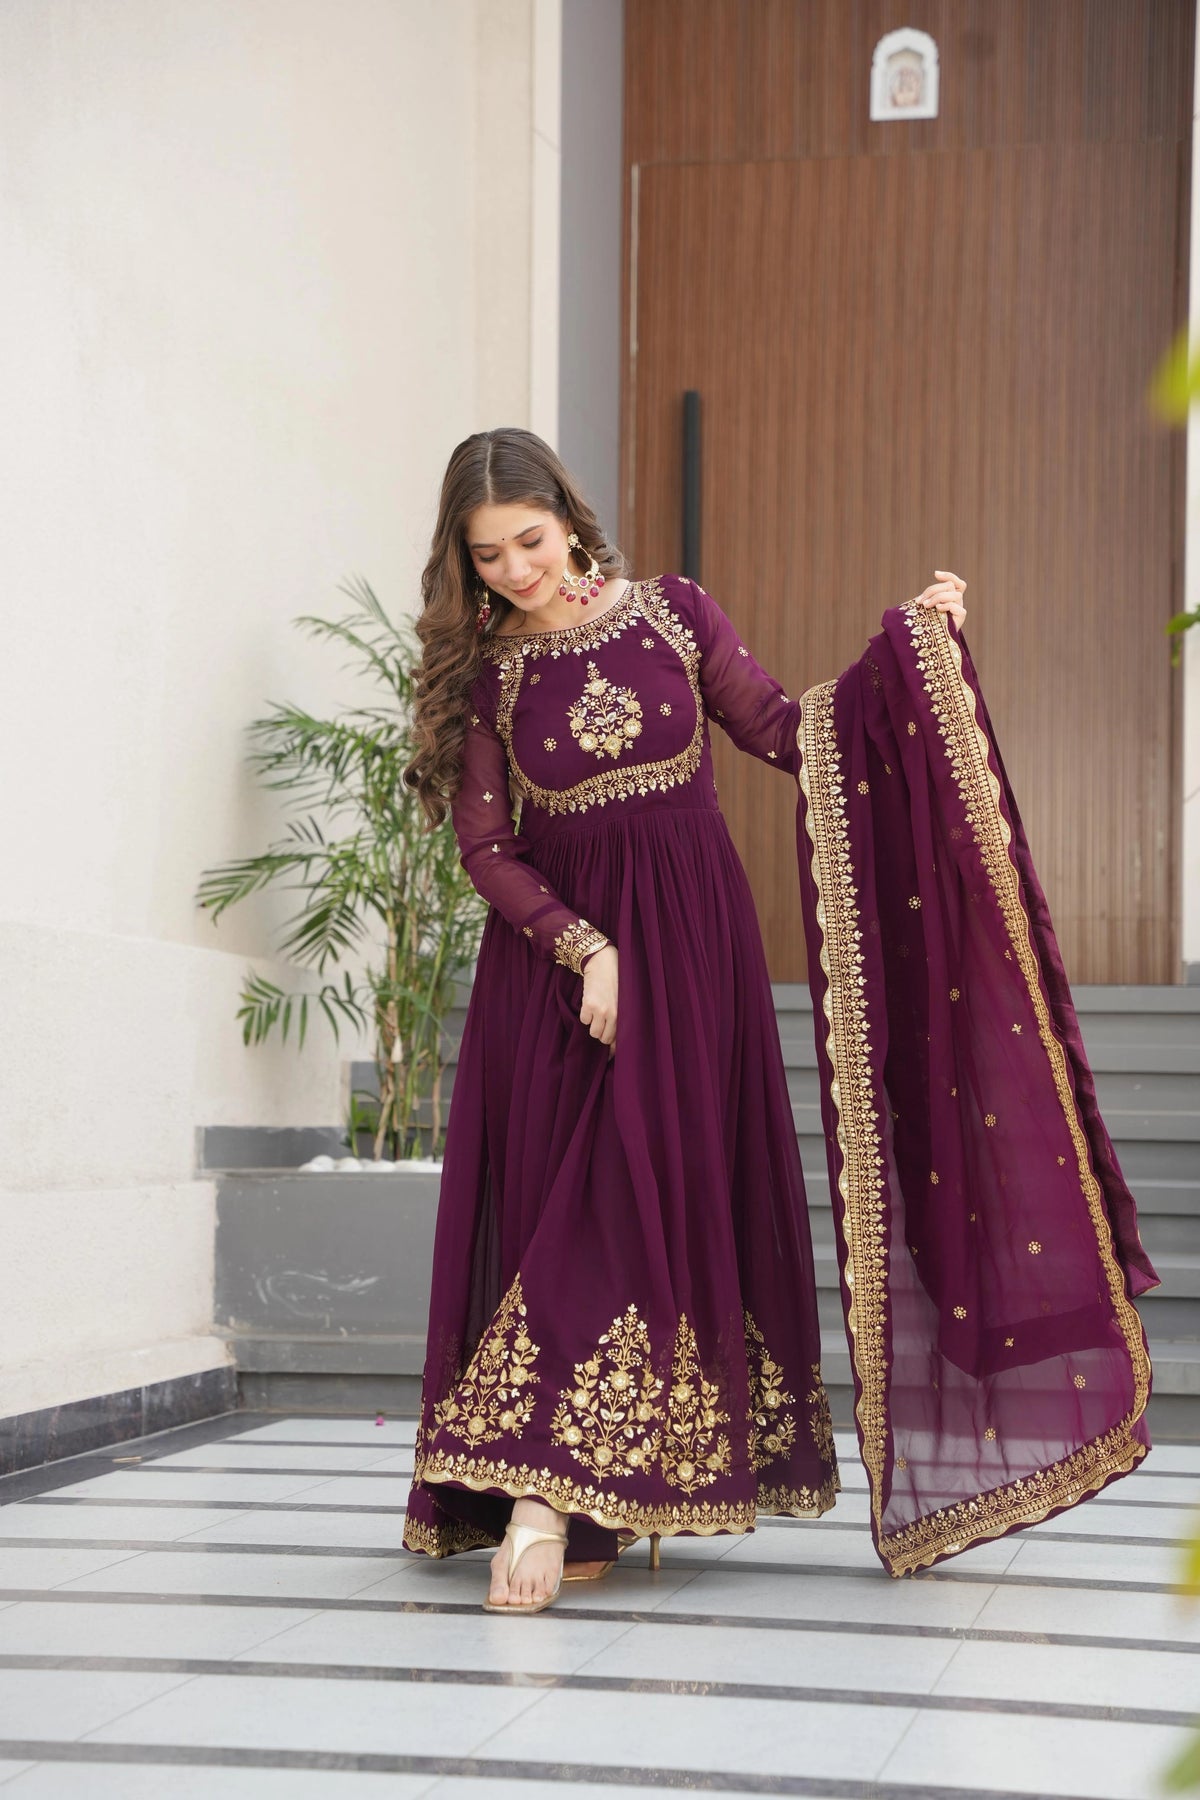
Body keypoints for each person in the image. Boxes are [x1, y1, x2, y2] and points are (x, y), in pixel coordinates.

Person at [400, 425, 967, 1612]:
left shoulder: (673, 614)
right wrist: (587, 947)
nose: (517, 570)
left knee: (646, 1195)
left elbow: (789, 734)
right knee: (582, 1206)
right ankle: (549, 1496)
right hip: (562, 979)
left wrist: (908, 660)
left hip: (697, 954)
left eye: (530, 540)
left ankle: (576, 1498)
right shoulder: (489, 677)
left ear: (569, 517)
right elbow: (486, 848)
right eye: (488, 556)